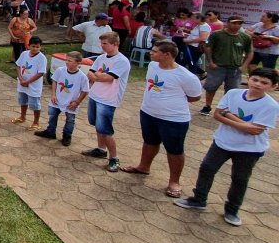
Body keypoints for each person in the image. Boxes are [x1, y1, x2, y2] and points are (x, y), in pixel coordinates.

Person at [175, 67, 279, 226]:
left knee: (240, 178)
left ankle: (232, 209)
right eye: (255, 80)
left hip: (249, 149)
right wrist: (242, 123)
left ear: (273, 86)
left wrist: (229, 115)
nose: (257, 84)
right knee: (207, 168)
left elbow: (254, 131)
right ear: (248, 78)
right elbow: (217, 114)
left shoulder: (270, 105)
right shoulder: (233, 94)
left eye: (264, 83)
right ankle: (199, 199)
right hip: (223, 141)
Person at [118, 41, 202, 198]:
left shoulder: (186, 76)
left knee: (174, 149)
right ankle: (143, 167)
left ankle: (174, 181)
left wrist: (169, 103)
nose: (151, 53)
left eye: (155, 51)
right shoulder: (153, 66)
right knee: (149, 141)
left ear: (167, 55)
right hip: (148, 113)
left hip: (173, 119)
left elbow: (195, 97)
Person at [82, 32, 131, 172]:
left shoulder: (121, 61)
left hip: (108, 99)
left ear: (115, 44)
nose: (102, 46)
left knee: (106, 129)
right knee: (97, 124)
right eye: (101, 43)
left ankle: (114, 158)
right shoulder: (101, 57)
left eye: (105, 44)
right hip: (95, 95)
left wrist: (98, 75)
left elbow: (107, 78)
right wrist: (99, 75)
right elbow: (90, 73)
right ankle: (100, 149)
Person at [200, 16, 253, 115]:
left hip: (235, 68)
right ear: (227, 23)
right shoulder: (217, 34)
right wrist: (210, 62)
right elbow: (208, 48)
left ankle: (225, 108)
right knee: (211, 87)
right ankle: (207, 106)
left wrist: (243, 66)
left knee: (232, 90)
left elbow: (249, 52)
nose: (236, 25)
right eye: (234, 23)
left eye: (239, 23)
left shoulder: (245, 37)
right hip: (218, 66)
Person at [35, 51, 89, 146]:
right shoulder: (60, 70)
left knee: (70, 120)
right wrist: (53, 95)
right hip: (57, 100)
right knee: (52, 116)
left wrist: (77, 102)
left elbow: (85, 91)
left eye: (70, 61)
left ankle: (67, 136)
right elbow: (54, 81)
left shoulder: (82, 77)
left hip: (71, 103)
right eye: (66, 60)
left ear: (78, 63)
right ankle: (50, 131)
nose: (67, 62)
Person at [13, 37, 47, 128]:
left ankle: (36, 122)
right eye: (33, 46)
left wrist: (27, 81)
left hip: (34, 85)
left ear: (40, 47)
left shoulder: (42, 58)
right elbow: (17, 66)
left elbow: (40, 73)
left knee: (35, 104)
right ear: (28, 46)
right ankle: (22, 117)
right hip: (22, 83)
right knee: (22, 101)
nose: (35, 48)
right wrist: (21, 79)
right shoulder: (24, 54)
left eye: (37, 47)